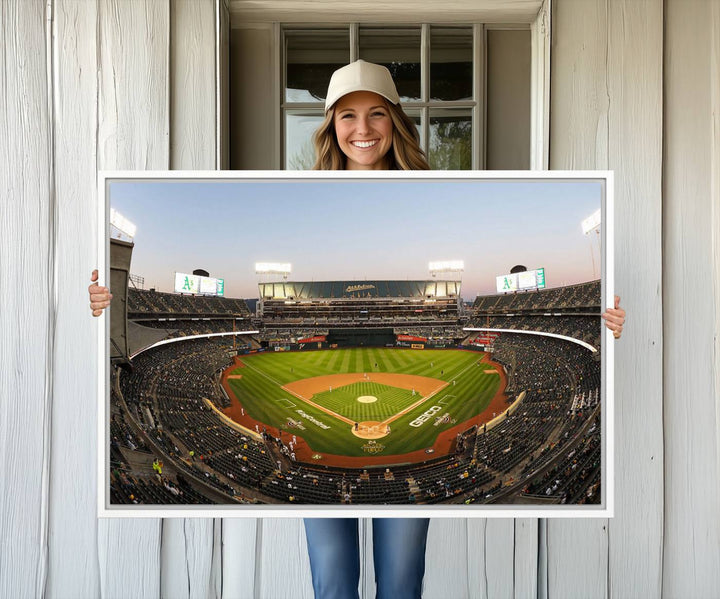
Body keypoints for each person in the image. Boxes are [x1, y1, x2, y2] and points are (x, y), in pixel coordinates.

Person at [88, 59, 627, 599]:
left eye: (376, 115)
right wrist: (105, 304)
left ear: (395, 120)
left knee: (400, 581)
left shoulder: (432, 190)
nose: (362, 129)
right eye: (347, 116)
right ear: (330, 126)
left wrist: (606, 322)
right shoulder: (308, 192)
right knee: (333, 582)